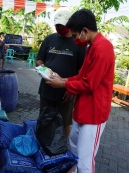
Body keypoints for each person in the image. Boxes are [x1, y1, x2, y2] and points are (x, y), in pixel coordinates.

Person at [46, 9, 115, 173]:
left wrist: (63, 85)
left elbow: (89, 84)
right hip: (83, 109)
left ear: (85, 31)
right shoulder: (92, 47)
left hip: (94, 113)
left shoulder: (103, 47)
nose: (75, 39)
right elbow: (81, 76)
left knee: (85, 161)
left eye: (76, 35)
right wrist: (63, 80)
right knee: (75, 149)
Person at [36, 8, 85, 137]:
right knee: (44, 119)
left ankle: (62, 148)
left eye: (62, 25)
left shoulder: (78, 43)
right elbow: (40, 59)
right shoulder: (49, 39)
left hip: (65, 93)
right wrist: (42, 69)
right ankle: (43, 144)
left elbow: (82, 71)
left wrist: (71, 90)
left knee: (64, 123)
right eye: (57, 25)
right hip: (46, 90)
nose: (59, 28)